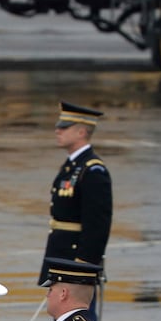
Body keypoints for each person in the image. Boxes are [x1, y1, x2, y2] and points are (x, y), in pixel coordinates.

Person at [44, 102, 113, 285]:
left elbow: (98, 223)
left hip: (75, 259)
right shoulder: (72, 165)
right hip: (61, 254)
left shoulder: (92, 170)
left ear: (81, 132)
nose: (58, 131)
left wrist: (84, 264)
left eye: (64, 127)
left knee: (79, 312)